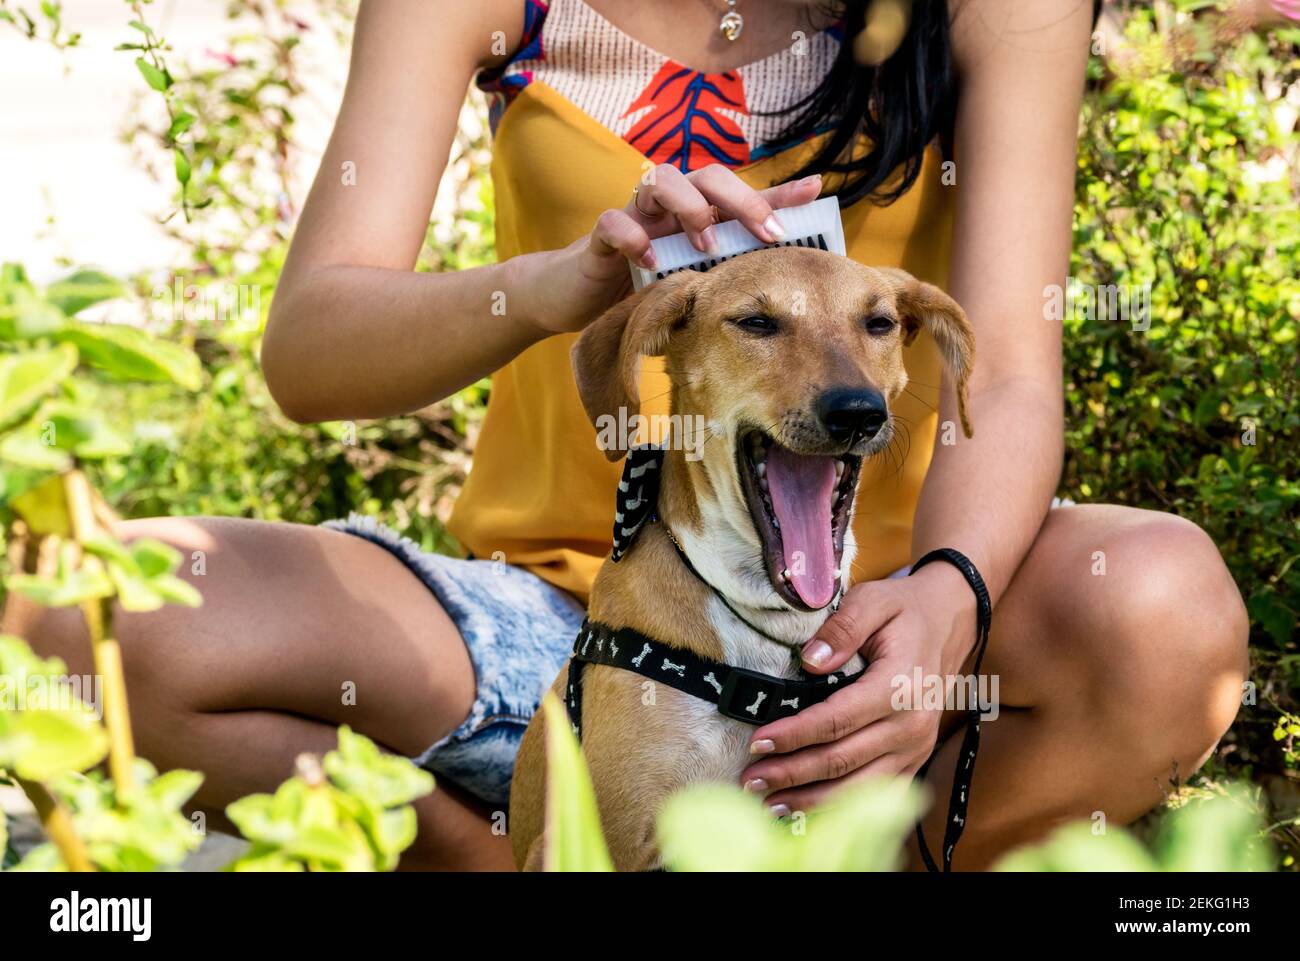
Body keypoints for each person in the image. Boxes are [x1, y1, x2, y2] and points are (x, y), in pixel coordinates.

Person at [13, 0, 1248, 870]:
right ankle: (516, 861)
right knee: (69, 623)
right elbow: (310, 349)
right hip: (566, 621)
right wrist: (546, 291)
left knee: (1161, 607)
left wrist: (946, 604)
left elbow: (1016, 365)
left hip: (880, 619)